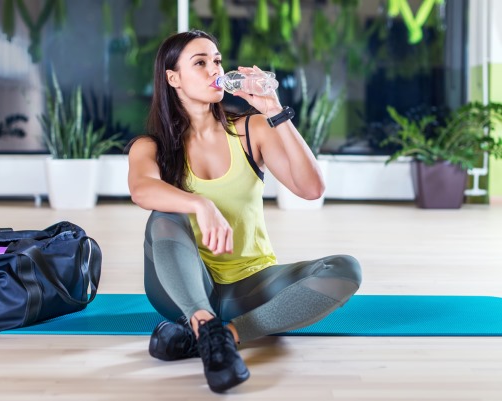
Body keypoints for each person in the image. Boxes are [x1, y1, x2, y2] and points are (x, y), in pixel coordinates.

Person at [127, 30, 362, 393]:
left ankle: (221, 337)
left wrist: (274, 112)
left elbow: (311, 189)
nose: (213, 70)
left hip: (249, 285)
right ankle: (202, 319)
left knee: (345, 269)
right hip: (183, 290)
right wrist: (199, 203)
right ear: (173, 78)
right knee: (164, 216)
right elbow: (141, 190)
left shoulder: (251, 130)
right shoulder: (151, 146)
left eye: (217, 60)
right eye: (200, 63)